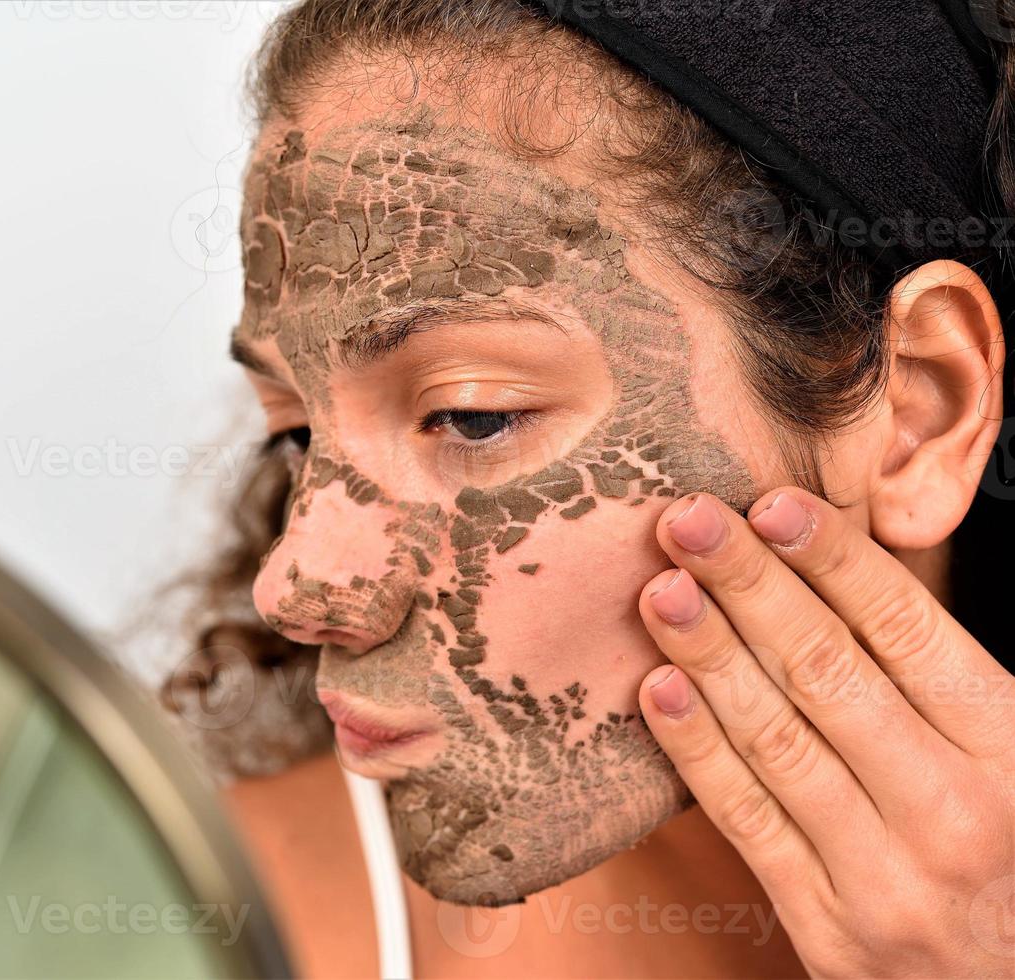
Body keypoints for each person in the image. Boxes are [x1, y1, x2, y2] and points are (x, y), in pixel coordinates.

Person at [161, 2, 1015, 975]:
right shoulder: (200, 923)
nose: (295, 585)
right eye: (296, 432)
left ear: (919, 411)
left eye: (472, 414)